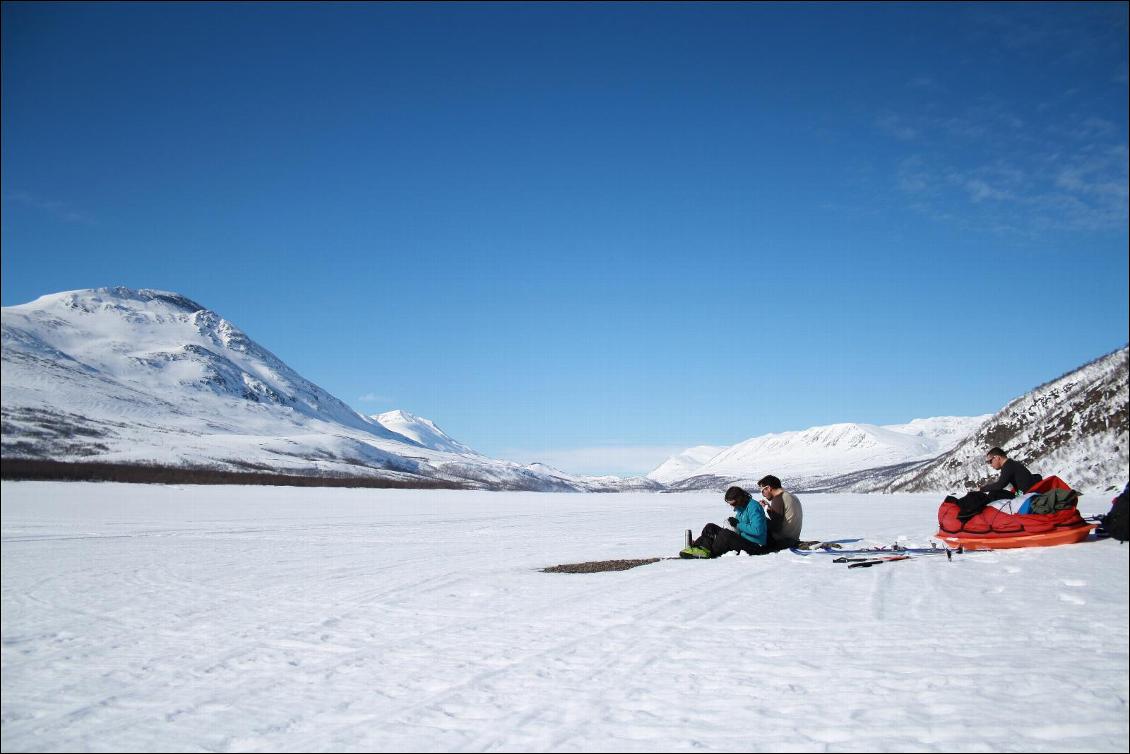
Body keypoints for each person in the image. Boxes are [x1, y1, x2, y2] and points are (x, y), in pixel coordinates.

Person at [680, 486, 773, 558]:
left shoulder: (754, 507)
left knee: (726, 535)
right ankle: (699, 547)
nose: (732, 506)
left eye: (733, 503)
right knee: (710, 527)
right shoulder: (741, 508)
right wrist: (731, 524)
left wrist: (737, 524)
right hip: (744, 539)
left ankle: (708, 552)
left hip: (755, 546)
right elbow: (740, 527)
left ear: (739, 499)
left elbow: (757, 530)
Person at [758, 475, 804, 551]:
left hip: (782, 541)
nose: (763, 494)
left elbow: (776, 527)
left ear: (769, 488)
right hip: (793, 538)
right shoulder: (791, 496)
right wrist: (768, 508)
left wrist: (760, 518)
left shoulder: (778, 498)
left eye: (762, 491)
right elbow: (779, 519)